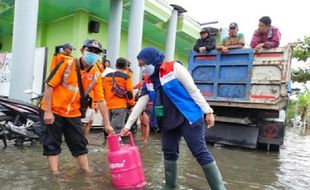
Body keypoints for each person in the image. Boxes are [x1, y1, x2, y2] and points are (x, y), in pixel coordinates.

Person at [120, 47, 226, 189]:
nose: (143, 68)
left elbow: (193, 90)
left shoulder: (174, 68)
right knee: (169, 153)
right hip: (167, 121)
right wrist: (127, 126)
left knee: (199, 152)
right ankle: (170, 186)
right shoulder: (148, 80)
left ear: (153, 60)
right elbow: (141, 102)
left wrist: (208, 111)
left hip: (187, 117)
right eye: (140, 66)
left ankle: (219, 188)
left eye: (144, 64)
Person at [40, 39, 115, 175]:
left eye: (96, 52)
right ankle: (55, 174)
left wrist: (107, 124)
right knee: (52, 143)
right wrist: (48, 112)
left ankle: (86, 171)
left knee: (79, 143)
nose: (93, 54)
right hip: (54, 110)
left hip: (73, 113)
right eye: (90, 50)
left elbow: (101, 100)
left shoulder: (96, 74)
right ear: (82, 50)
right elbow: (49, 85)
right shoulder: (66, 64)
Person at [102, 57, 135, 134]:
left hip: (107, 106)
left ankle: (107, 144)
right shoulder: (126, 77)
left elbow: (102, 90)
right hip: (120, 106)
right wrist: (131, 104)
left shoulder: (106, 76)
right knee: (117, 129)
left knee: (107, 128)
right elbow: (129, 92)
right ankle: (114, 145)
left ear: (115, 65)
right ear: (125, 66)